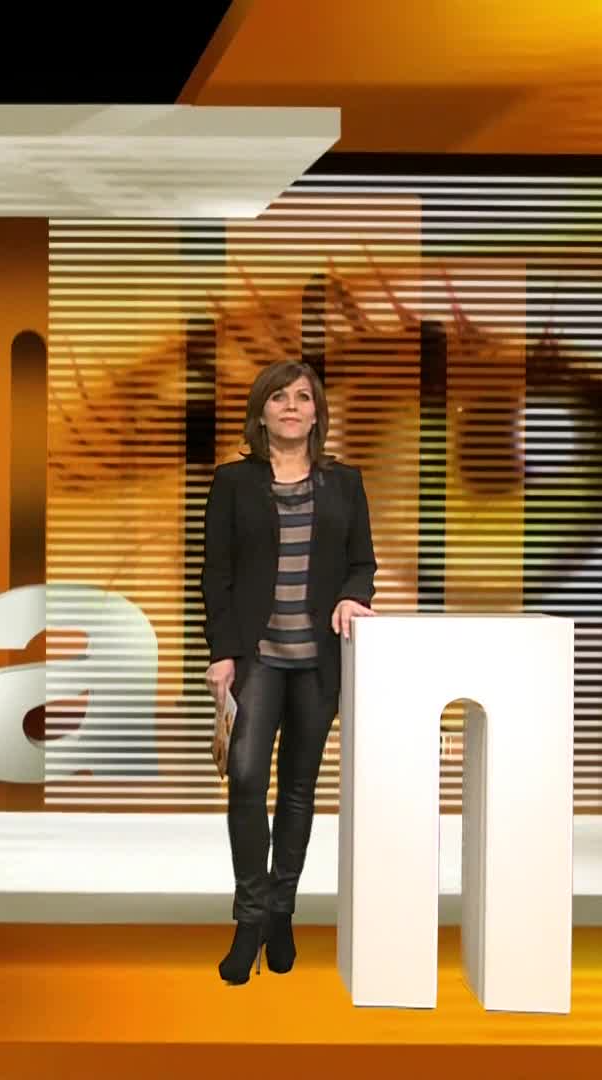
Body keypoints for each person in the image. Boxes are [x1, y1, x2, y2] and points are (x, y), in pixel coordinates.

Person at [201, 359, 377, 985]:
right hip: (258, 658)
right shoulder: (232, 483)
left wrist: (353, 596)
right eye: (279, 397)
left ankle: (282, 912)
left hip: (318, 663)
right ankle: (249, 920)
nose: (292, 407)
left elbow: (362, 563)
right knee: (247, 781)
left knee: (299, 789)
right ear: (261, 412)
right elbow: (216, 574)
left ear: (317, 412)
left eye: (303, 397)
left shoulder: (345, 483)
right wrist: (221, 652)